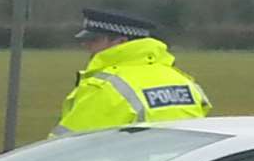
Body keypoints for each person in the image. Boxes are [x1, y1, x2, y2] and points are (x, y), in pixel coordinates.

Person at [50, 9, 211, 137]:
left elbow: (67, 147)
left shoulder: (106, 87)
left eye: (94, 39)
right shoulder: (184, 81)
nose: (85, 44)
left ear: (121, 43)